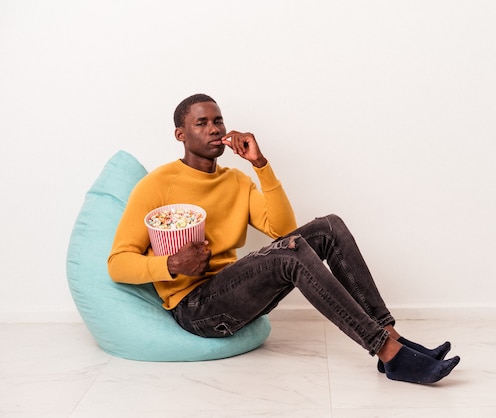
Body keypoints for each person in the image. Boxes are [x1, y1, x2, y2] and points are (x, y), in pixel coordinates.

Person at [108, 93, 460, 384]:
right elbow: (118, 264)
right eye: (201, 123)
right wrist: (171, 264)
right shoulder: (157, 184)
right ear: (180, 135)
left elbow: (282, 229)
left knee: (329, 226)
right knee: (290, 255)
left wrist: (260, 165)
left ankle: (391, 336)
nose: (214, 129)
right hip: (197, 309)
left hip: (233, 291)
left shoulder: (236, 181)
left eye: (218, 121)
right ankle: (387, 352)